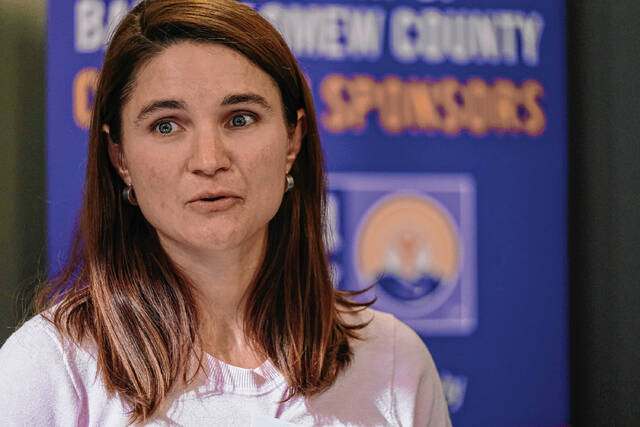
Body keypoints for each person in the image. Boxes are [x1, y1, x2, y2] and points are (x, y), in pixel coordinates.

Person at [0, 0, 451, 425]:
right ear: (120, 158)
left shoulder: (393, 360)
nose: (209, 159)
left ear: (293, 140)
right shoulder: (50, 370)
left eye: (240, 119)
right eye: (166, 125)